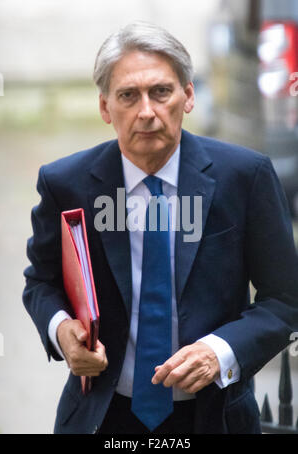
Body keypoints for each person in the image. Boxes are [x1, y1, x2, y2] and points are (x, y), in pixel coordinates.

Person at [23, 21, 298, 435]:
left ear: (188, 96)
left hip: (215, 416)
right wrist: (61, 330)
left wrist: (219, 352)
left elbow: (285, 299)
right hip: (104, 416)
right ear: (104, 107)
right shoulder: (66, 183)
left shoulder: (245, 177)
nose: (147, 112)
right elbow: (40, 282)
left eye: (161, 92)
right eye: (128, 96)